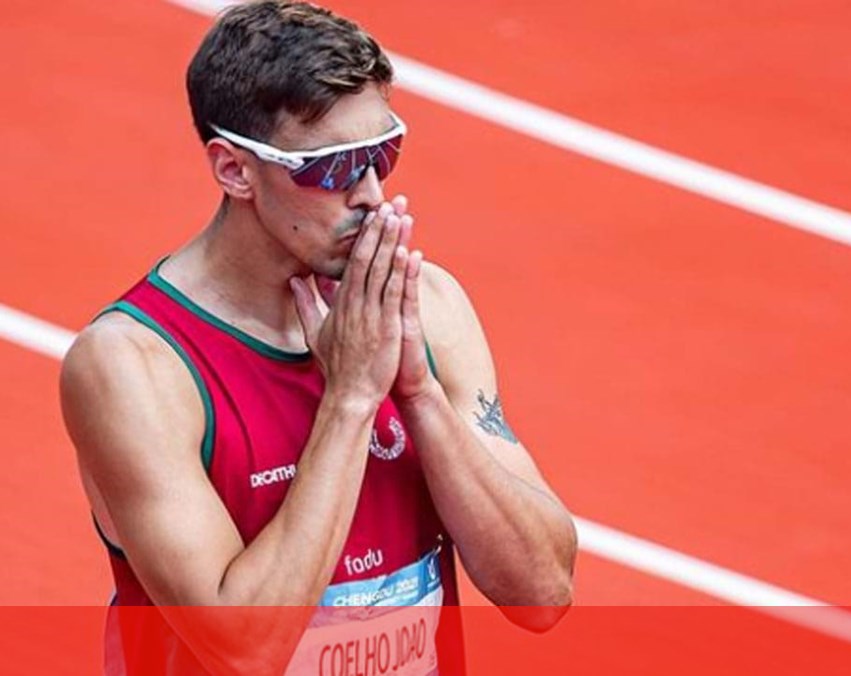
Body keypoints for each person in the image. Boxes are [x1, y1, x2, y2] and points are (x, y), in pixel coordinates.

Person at [58, 1, 577, 673]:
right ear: (234, 171)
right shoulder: (134, 367)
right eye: (330, 167)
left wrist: (416, 394)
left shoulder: (428, 309)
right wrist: (352, 400)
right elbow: (243, 646)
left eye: (382, 153)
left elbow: (542, 595)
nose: (368, 193)